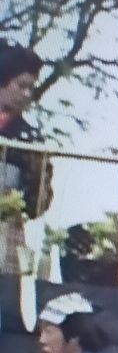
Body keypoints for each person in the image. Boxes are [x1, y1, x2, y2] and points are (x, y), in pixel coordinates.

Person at [0, 42, 53, 221]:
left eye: (31, 88)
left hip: (6, 230)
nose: (27, 94)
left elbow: (37, 206)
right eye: (21, 86)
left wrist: (36, 178)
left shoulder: (30, 139)